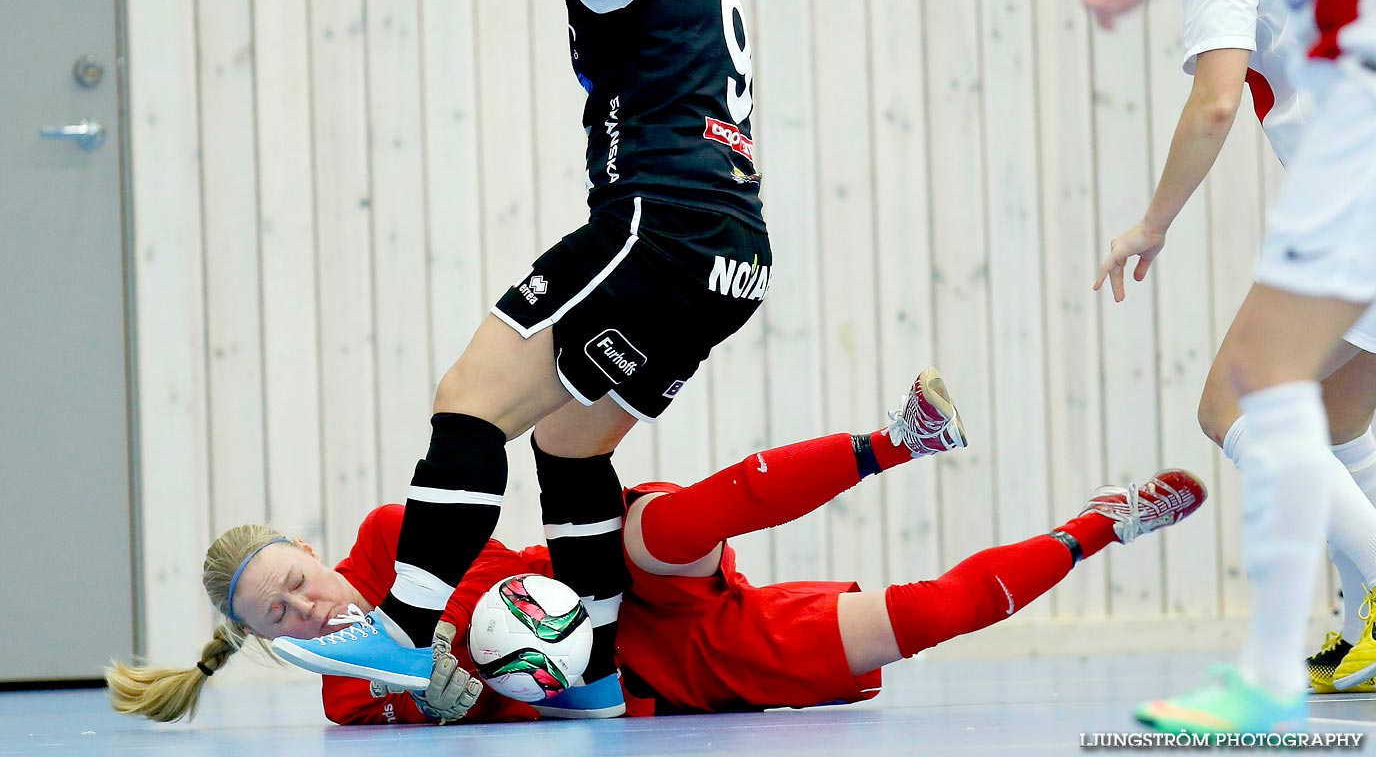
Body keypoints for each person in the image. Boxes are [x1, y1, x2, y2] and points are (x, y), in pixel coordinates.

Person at [269, 0, 774, 717]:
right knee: (570, 440)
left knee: (469, 402)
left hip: (657, 224)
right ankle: (597, 672)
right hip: (732, 253)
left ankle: (406, 633)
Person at [105, 369, 1206, 724]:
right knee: (919, 619)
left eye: (293, 583)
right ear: (261, 641)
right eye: (277, 618)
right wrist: (450, 712)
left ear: (310, 547)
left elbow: (492, 524)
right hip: (650, 674)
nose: (303, 610)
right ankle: (1102, 522)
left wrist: (455, 627)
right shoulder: (352, 700)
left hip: (607, 585)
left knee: (659, 524)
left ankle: (894, 438)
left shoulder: (397, 537)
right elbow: (496, 719)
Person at [1082, 0, 1376, 734]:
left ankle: (1276, 668)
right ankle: (1347, 628)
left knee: (1236, 397)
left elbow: (1213, 100)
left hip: (1356, 169)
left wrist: (1152, 221)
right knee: (1330, 419)